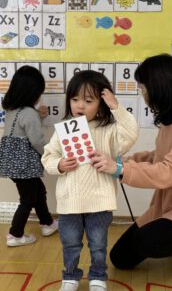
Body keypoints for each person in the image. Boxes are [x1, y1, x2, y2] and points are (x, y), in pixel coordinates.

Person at [89, 54, 172, 276]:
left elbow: (168, 171)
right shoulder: (170, 118)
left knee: (147, 240)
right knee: (120, 258)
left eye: (143, 89)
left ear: (159, 86)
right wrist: (122, 162)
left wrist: (120, 169)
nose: (143, 95)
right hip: (171, 202)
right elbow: (159, 157)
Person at [41, 70, 138, 291]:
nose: (80, 106)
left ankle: (98, 276)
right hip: (70, 203)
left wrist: (117, 107)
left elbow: (131, 132)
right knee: (70, 244)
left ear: (102, 103)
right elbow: (48, 157)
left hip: (99, 202)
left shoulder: (110, 130)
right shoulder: (63, 129)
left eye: (88, 100)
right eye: (75, 99)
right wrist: (59, 164)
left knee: (98, 245)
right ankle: (70, 276)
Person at [1, 66, 58, 247]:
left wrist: (39, 117)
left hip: (11, 164)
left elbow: (22, 130)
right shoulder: (30, 114)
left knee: (38, 192)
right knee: (27, 199)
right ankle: (15, 234)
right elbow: (37, 141)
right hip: (25, 165)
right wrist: (50, 156)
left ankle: (47, 223)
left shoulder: (12, 110)